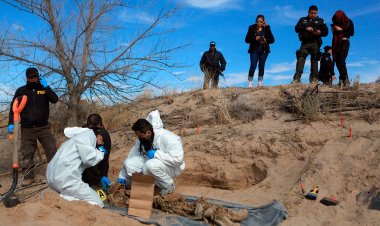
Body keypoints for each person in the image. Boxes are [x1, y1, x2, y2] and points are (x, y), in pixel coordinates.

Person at [8, 67, 58, 186]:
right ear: (27, 78)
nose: (33, 78)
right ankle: (29, 177)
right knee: (27, 153)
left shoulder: (43, 89)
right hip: (27, 128)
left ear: (38, 76)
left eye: (35, 76)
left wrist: (47, 87)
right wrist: (11, 123)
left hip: (43, 127)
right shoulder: (21, 91)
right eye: (31, 77)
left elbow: (55, 99)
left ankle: (55, 175)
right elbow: (13, 108)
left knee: (52, 149)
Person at [117, 110, 185, 195]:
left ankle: (168, 187)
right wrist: (122, 177)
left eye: (140, 136)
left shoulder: (169, 138)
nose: (139, 138)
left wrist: (156, 154)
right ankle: (142, 186)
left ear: (148, 132)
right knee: (129, 164)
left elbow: (178, 160)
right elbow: (131, 156)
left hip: (171, 167)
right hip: (151, 163)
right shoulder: (142, 139)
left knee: (150, 166)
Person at [46, 126, 107, 207]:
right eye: (101, 143)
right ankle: (63, 198)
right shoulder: (89, 136)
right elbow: (90, 159)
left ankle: (62, 195)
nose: (99, 145)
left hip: (52, 177)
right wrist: (101, 151)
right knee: (98, 203)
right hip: (65, 180)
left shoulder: (77, 137)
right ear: (99, 137)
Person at [293, 5, 328, 84]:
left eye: (315, 13)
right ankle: (296, 79)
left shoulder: (320, 20)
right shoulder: (303, 20)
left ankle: (314, 80)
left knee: (315, 61)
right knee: (300, 59)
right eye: (311, 13)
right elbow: (296, 28)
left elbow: (326, 32)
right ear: (308, 12)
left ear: (317, 12)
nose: (313, 14)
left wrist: (320, 32)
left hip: (315, 43)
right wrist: (305, 28)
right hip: (304, 43)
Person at [82, 114, 112, 191]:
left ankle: (97, 185)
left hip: (95, 169)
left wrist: (103, 175)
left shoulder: (103, 134)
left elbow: (105, 156)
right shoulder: (84, 131)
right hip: (85, 170)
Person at [245, 14, 275, 88]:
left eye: (261, 21)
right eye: (257, 21)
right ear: (255, 21)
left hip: (264, 50)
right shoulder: (251, 28)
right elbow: (246, 40)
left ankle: (260, 81)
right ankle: (250, 82)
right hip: (254, 49)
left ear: (263, 22)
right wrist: (255, 38)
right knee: (253, 65)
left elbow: (272, 40)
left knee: (261, 65)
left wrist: (265, 39)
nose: (259, 23)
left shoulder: (267, 29)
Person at [331, 10, 354, 87]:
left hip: (344, 42)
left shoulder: (349, 22)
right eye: (336, 18)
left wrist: (342, 29)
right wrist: (334, 30)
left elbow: (351, 33)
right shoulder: (335, 22)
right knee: (337, 61)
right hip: (337, 44)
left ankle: (346, 80)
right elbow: (335, 35)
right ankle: (342, 80)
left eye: (339, 18)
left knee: (341, 60)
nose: (338, 19)